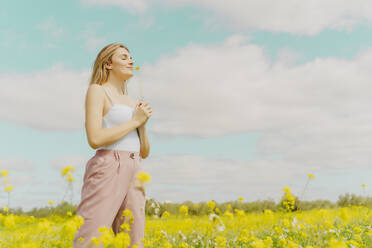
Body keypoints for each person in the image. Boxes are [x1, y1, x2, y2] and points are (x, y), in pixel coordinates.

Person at [73, 43, 152, 248]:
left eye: (131, 57)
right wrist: (135, 121)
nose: (131, 61)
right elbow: (95, 139)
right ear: (108, 64)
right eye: (124, 57)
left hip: (135, 166)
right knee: (91, 237)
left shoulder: (133, 101)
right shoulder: (98, 91)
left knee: (133, 240)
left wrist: (142, 122)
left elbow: (144, 150)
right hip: (109, 165)